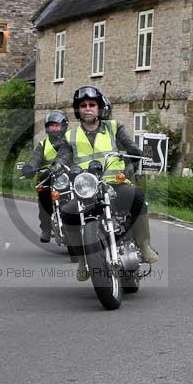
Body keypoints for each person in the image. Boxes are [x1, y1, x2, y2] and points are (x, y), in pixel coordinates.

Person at [55, 86, 159, 281]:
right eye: (83, 105)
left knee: (137, 197)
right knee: (68, 212)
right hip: (87, 189)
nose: (87, 108)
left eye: (92, 105)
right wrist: (58, 165)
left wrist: (134, 151)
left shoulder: (114, 127)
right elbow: (63, 155)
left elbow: (128, 144)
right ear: (78, 110)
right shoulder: (70, 136)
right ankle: (82, 260)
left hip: (114, 184)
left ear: (99, 108)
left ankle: (144, 245)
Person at [21, 110, 69, 243]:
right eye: (50, 125)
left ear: (63, 126)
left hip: (67, 176)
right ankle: (46, 228)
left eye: (56, 125)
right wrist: (29, 167)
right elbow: (35, 159)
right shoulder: (43, 145)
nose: (53, 128)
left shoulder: (70, 140)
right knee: (43, 196)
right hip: (48, 177)